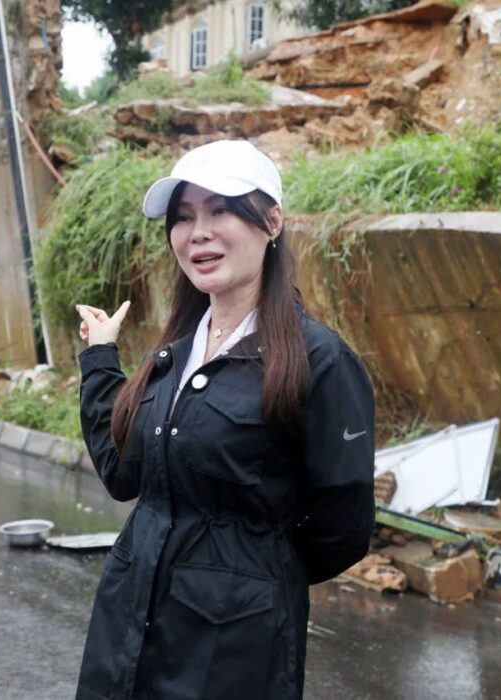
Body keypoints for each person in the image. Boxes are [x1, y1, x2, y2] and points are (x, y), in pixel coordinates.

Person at [74, 139, 375, 699]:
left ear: (272, 221)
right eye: (184, 217)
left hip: (233, 650)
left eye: (221, 210)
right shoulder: (173, 356)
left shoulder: (318, 361)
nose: (198, 232)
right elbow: (122, 473)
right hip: (127, 628)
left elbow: (346, 526)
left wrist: (248, 577)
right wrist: (99, 362)